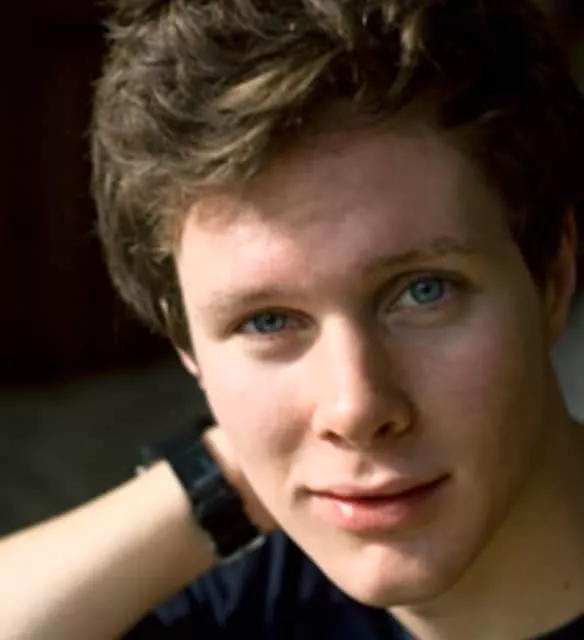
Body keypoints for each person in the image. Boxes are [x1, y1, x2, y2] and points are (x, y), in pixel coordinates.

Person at [2, 0, 584, 638]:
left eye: (424, 291)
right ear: (186, 344)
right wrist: (220, 484)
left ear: (552, 280)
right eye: (267, 321)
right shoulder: (235, 605)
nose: (355, 408)